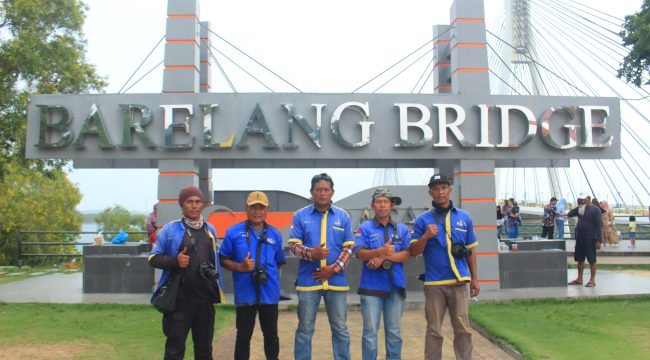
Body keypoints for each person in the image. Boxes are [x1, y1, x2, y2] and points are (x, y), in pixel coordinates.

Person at [148, 185, 225, 360]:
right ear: (181, 204)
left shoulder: (210, 230)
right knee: (174, 351)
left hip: (205, 301)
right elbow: (153, 258)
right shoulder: (170, 230)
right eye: (189, 202)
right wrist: (175, 261)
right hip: (179, 302)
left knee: (204, 350)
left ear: (202, 205)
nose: (194, 205)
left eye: (198, 202)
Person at [410, 173, 479, 360]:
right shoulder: (422, 220)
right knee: (434, 330)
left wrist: (475, 280)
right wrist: (425, 236)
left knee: (463, 329)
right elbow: (414, 251)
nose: (440, 192)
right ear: (430, 192)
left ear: (449, 189)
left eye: (443, 188)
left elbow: (471, 251)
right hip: (435, 283)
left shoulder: (464, 217)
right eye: (436, 189)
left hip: (459, 281)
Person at [289, 173, 355, 360]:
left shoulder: (343, 216)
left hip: (336, 282)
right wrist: (312, 254)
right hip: (308, 282)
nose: (322, 193)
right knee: (305, 329)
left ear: (332, 192)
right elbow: (293, 246)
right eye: (318, 190)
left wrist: (333, 269)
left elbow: (349, 246)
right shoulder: (300, 215)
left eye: (326, 190)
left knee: (340, 328)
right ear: (311, 192)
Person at [219, 191, 285, 360]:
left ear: (267, 209)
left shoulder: (275, 234)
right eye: (253, 207)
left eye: (261, 207)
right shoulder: (233, 232)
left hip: (269, 294)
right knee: (243, 337)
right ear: (246, 209)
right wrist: (240, 267)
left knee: (271, 335)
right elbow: (223, 259)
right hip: (245, 294)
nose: (257, 211)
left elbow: (279, 261)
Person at [355, 187, 411, 360]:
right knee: (370, 332)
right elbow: (359, 253)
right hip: (371, 287)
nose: (382, 205)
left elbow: (407, 253)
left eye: (386, 202)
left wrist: (384, 257)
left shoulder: (400, 229)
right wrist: (379, 251)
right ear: (372, 205)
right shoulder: (364, 228)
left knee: (394, 332)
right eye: (378, 202)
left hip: (395, 287)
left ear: (391, 205)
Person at [567, 193, 602, 288]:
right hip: (580, 237)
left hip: (590, 238)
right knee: (580, 258)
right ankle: (579, 278)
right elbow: (570, 214)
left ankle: (592, 280)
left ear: (588, 198)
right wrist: (578, 207)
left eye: (583, 199)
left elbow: (599, 225)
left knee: (592, 259)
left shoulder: (595, 210)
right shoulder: (581, 208)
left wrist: (598, 240)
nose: (581, 200)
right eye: (580, 199)